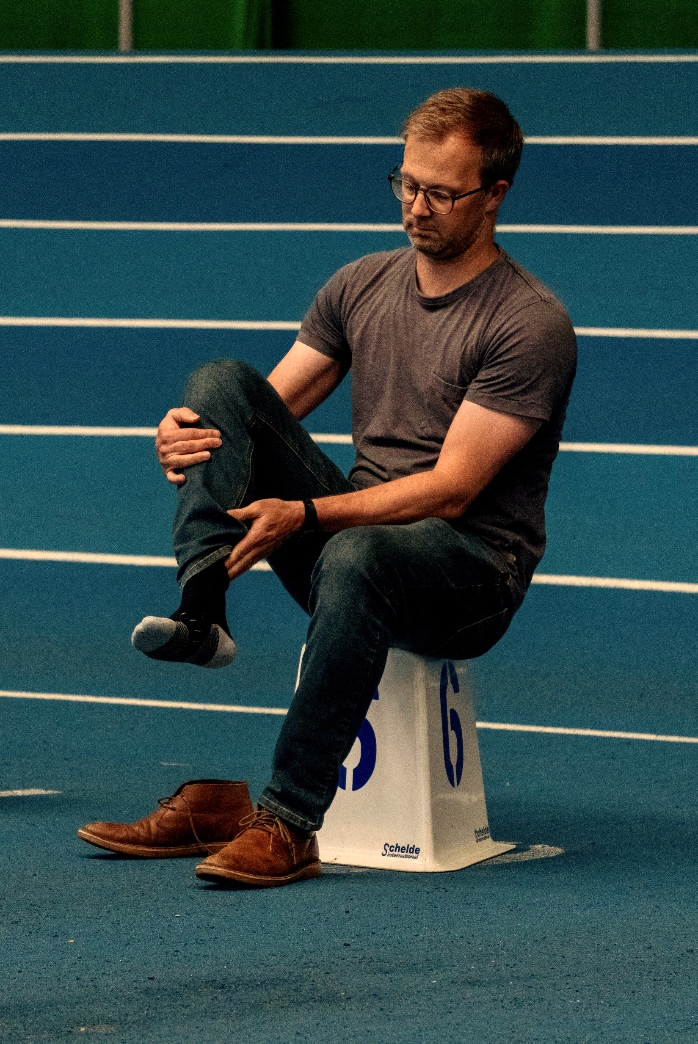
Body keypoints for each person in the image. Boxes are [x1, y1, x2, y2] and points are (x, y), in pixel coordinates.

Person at [78, 88, 577, 888]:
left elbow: (451, 490)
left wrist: (306, 514)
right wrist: (191, 435)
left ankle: (288, 818)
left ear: (496, 198)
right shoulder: (361, 284)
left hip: (471, 573)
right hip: (360, 542)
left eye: (441, 194)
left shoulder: (528, 323)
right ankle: (203, 605)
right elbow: (261, 413)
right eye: (405, 184)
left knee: (357, 556)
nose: (416, 208)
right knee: (219, 380)